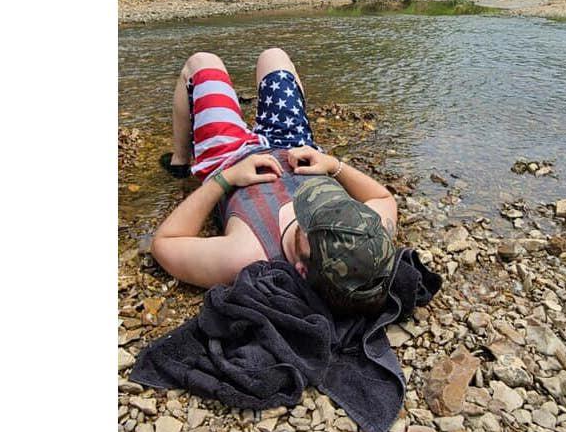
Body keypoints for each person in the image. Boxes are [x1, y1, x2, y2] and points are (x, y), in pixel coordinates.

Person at [151, 47, 398, 315]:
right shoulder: (368, 238)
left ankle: (179, 161)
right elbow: (384, 198)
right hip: (295, 146)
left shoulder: (247, 254)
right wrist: (332, 165)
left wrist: (225, 179)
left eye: (308, 218)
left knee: (201, 63)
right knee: (274, 57)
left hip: (230, 157)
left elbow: (165, 242)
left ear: (301, 270)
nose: (309, 208)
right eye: (331, 204)